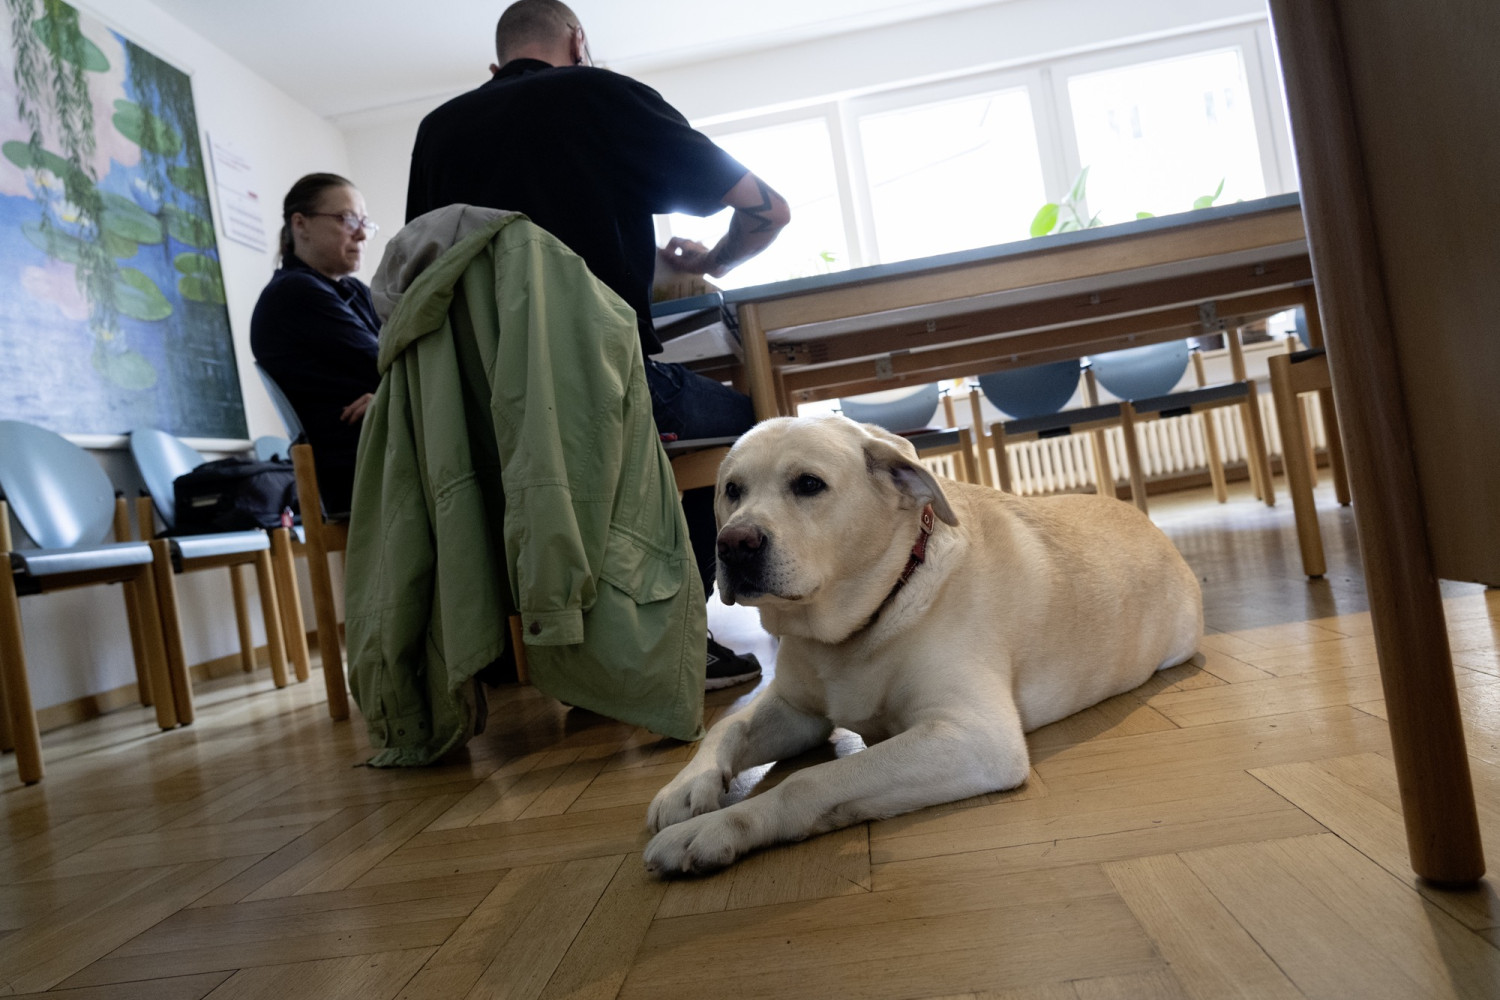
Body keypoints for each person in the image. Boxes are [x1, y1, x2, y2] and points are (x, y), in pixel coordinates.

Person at [406, 0, 791, 689]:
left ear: (497, 67)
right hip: (610, 385)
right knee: (743, 424)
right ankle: (680, 636)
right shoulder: (601, 94)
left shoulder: (438, 131)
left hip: (484, 401)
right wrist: (716, 262)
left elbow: (425, 280)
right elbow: (767, 209)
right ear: (579, 43)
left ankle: (553, 644)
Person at [251, 173, 382, 516]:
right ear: (300, 224)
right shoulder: (295, 293)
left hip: (384, 451)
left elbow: (409, 359)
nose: (362, 233)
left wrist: (390, 395)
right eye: (347, 219)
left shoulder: (354, 291)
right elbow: (386, 363)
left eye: (365, 221)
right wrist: (395, 393)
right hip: (358, 471)